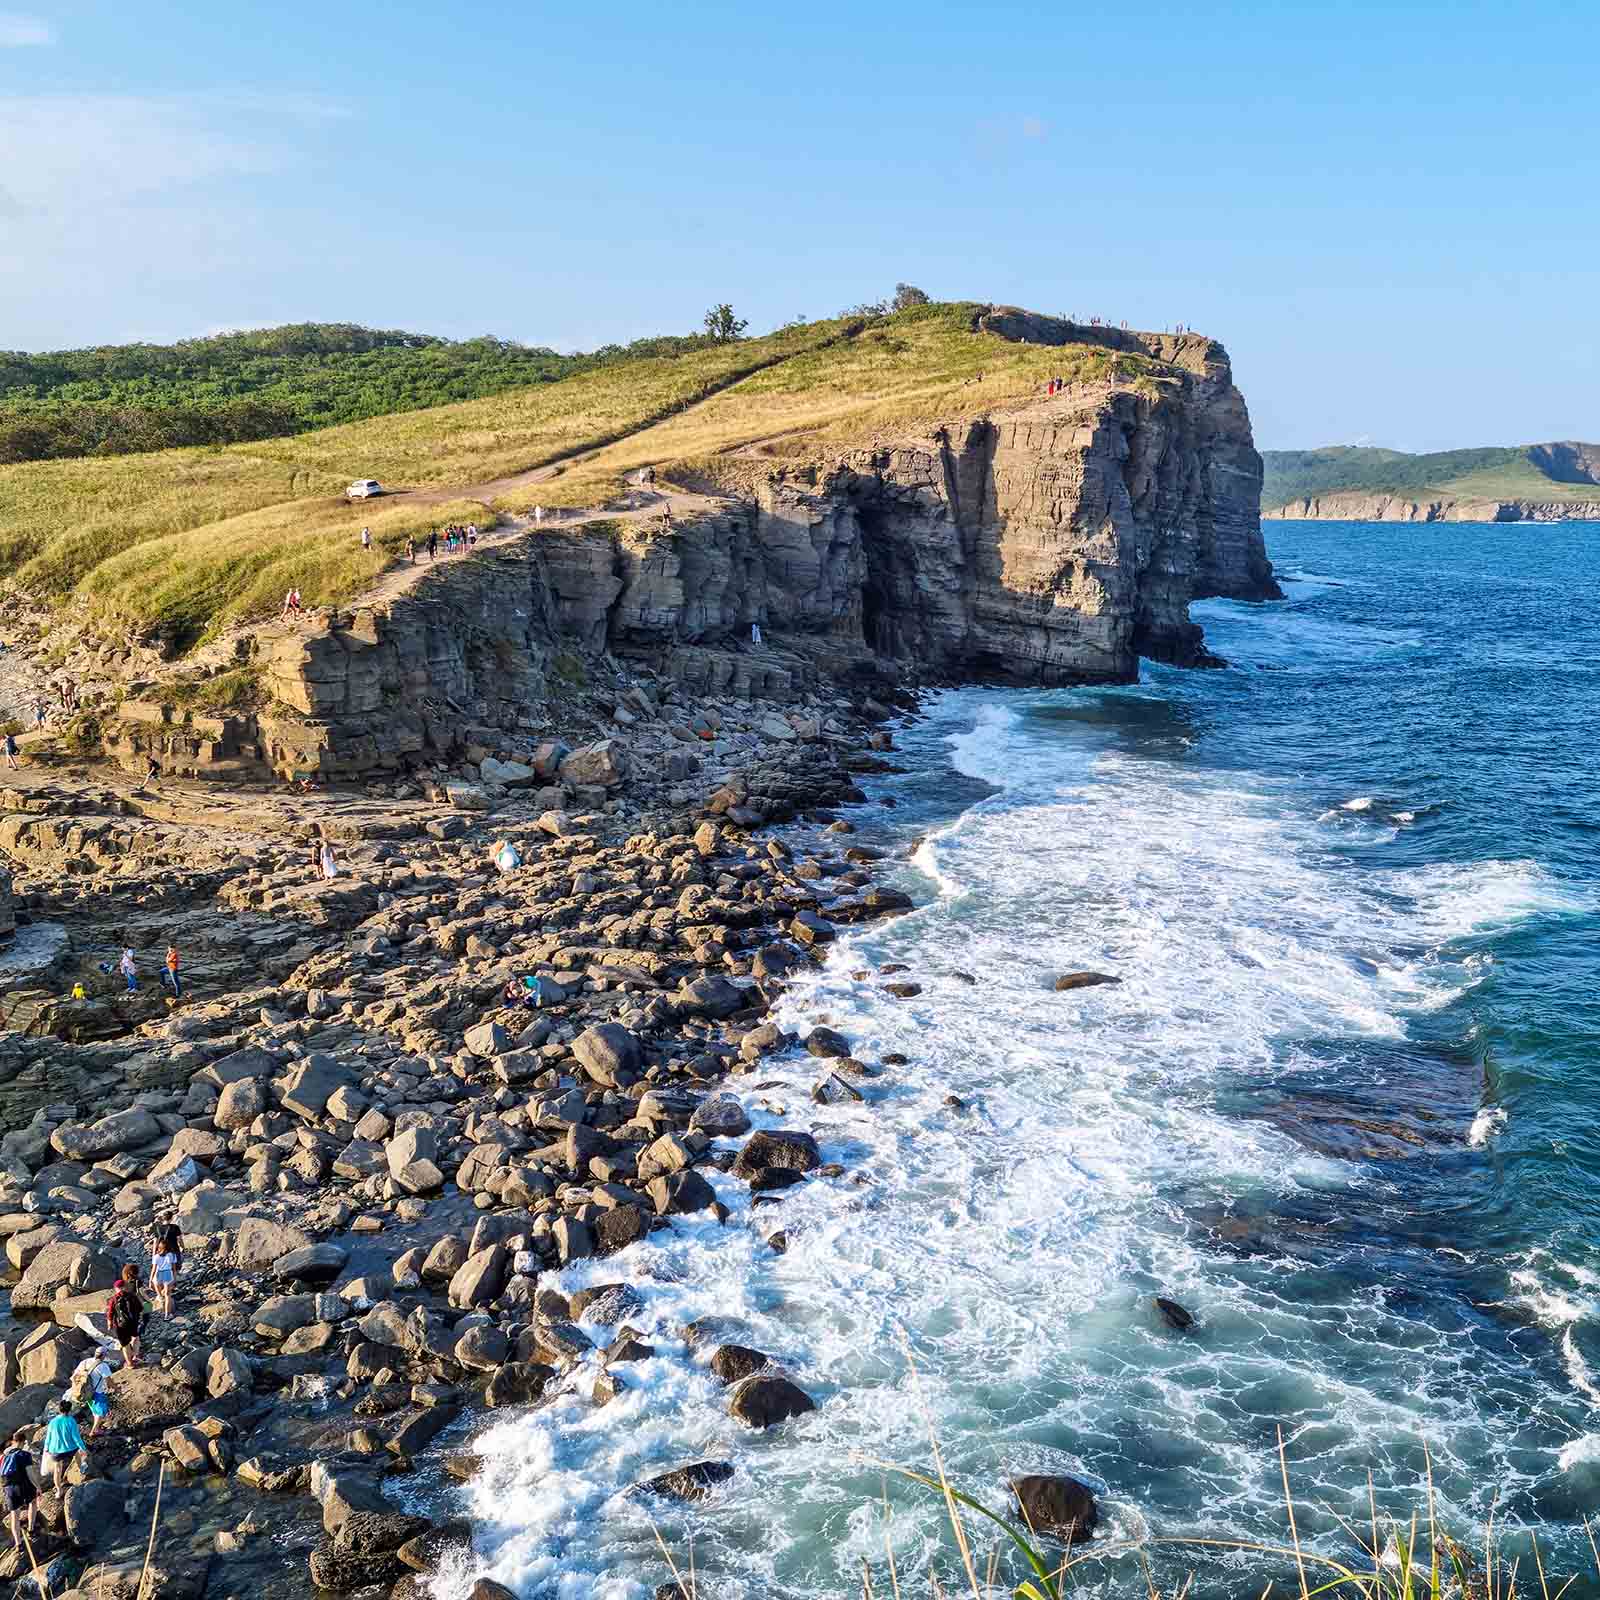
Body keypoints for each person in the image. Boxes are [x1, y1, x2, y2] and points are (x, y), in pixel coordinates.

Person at [0, 1429, 38, 1550]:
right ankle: (31, 1530)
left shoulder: (3, 1457)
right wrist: (38, 1486)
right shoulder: (24, 1454)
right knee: (33, 1502)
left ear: (13, 1441)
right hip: (23, 1486)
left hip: (8, 1488)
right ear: (23, 1442)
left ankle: (18, 1544)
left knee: (14, 1515)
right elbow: (30, 1473)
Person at [41, 1402, 84, 1492]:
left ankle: (59, 1490)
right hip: (70, 1449)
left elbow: (48, 1437)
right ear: (70, 1410)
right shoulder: (71, 1420)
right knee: (77, 1454)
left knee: (57, 1469)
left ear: (59, 1410)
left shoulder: (52, 1422)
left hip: (55, 1451)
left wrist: (46, 1449)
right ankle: (82, 1470)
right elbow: (76, 1437)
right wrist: (83, 1448)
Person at [106, 1266, 143, 1367]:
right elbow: (140, 1308)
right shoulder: (132, 1296)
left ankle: (130, 1364)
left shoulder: (113, 1300)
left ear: (116, 1288)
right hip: (133, 1323)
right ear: (124, 1286)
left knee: (125, 1345)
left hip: (120, 1325)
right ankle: (135, 1355)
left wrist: (110, 1324)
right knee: (135, 1338)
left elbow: (110, 1313)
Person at [71, 1353, 113, 1439]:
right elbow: (109, 1381)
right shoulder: (103, 1365)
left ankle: (96, 1426)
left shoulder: (85, 1362)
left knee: (94, 1410)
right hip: (97, 1393)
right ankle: (95, 1430)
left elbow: (74, 1376)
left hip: (85, 1393)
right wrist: (116, 1388)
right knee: (101, 1412)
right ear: (104, 1356)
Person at [149, 1230, 179, 1317]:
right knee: (168, 1295)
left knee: (157, 1285)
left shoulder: (156, 1256)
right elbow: (174, 1269)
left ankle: (159, 1296)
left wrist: (150, 1279)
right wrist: (174, 1278)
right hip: (168, 1273)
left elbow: (153, 1269)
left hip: (159, 1273)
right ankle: (167, 1315)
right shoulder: (172, 1255)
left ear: (160, 1247)